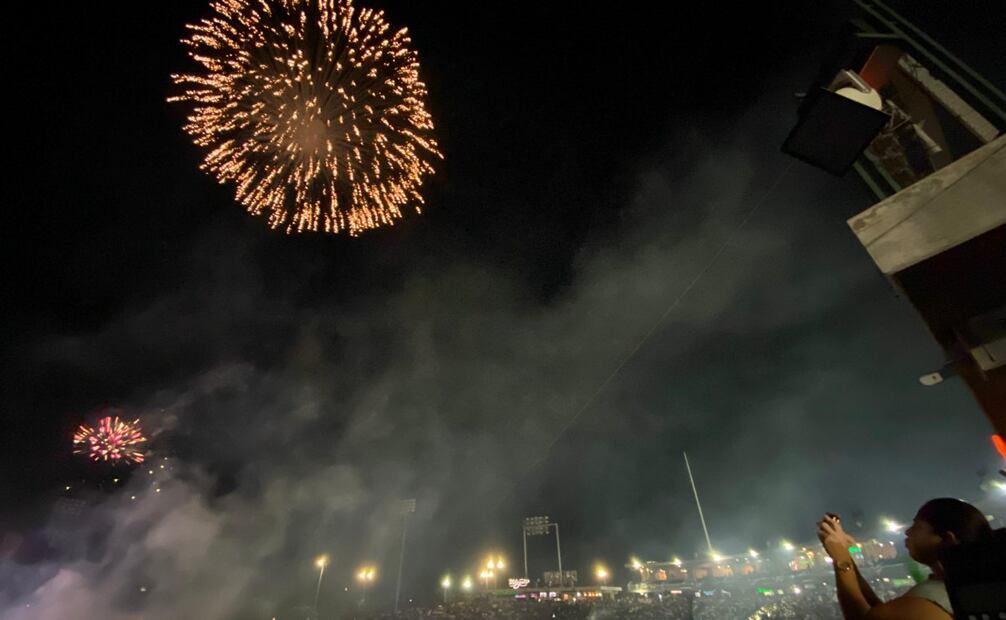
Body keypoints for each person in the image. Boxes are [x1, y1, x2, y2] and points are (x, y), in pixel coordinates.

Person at [817, 498, 994, 619]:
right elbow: (878, 612)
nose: (907, 531)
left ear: (947, 539)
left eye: (917, 526)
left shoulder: (946, 593)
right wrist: (846, 557)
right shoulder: (963, 584)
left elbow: (865, 617)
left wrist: (841, 558)